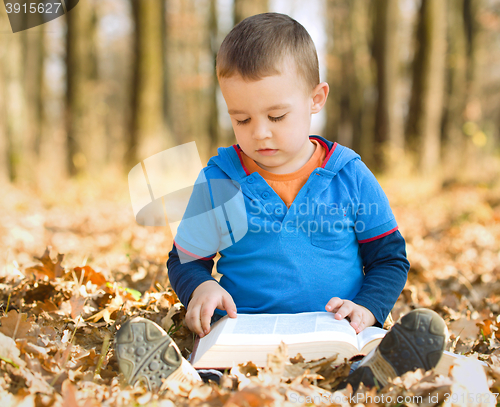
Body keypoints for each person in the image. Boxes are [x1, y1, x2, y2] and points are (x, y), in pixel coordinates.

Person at [115, 12, 446, 393]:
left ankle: (372, 377)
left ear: (315, 99)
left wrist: (368, 308)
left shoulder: (349, 175)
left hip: (339, 336)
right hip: (244, 340)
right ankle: (185, 383)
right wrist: (200, 287)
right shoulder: (220, 179)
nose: (259, 133)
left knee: (360, 361)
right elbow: (185, 261)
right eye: (241, 119)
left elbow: (389, 258)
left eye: (277, 115)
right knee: (221, 377)